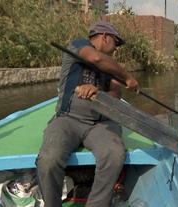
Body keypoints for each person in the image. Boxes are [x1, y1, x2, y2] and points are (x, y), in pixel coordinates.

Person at [35, 20, 139, 207]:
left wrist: (98, 92)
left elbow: (115, 94)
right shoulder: (78, 45)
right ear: (105, 37)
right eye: (116, 43)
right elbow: (95, 59)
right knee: (49, 159)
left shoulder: (112, 67)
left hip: (101, 123)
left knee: (114, 154)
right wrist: (129, 77)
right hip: (68, 118)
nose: (116, 49)